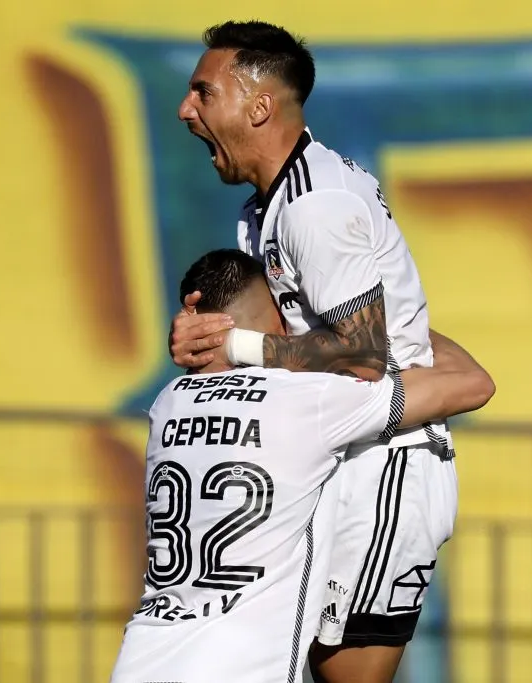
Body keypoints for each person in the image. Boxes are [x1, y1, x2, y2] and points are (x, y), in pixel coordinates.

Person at [170, 21, 464, 683]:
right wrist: (207, 336)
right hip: (337, 455)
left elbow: (362, 354)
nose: (186, 109)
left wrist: (233, 344)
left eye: (203, 92)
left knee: (343, 674)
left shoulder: (313, 204)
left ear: (259, 107)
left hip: (386, 463)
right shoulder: (266, 208)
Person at [112, 249, 493, 683]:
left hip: (141, 657)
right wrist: (381, 324)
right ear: (277, 318)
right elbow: (471, 382)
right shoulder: (302, 400)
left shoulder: (167, 404)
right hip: (237, 668)